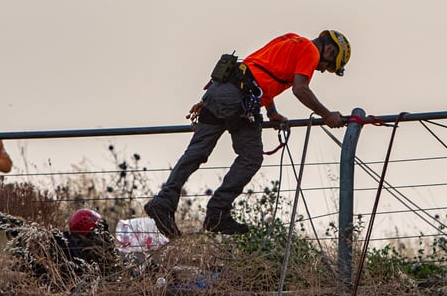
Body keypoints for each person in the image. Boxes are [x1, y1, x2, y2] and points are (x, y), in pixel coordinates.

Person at [144, 30, 351, 237]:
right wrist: (327, 115)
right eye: (328, 66)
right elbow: (300, 89)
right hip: (239, 98)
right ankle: (218, 212)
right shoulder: (310, 51)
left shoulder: (290, 39)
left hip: (219, 89)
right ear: (330, 50)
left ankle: (163, 202)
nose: (322, 70)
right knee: (251, 157)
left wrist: (272, 112)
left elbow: (259, 72)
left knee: (196, 152)